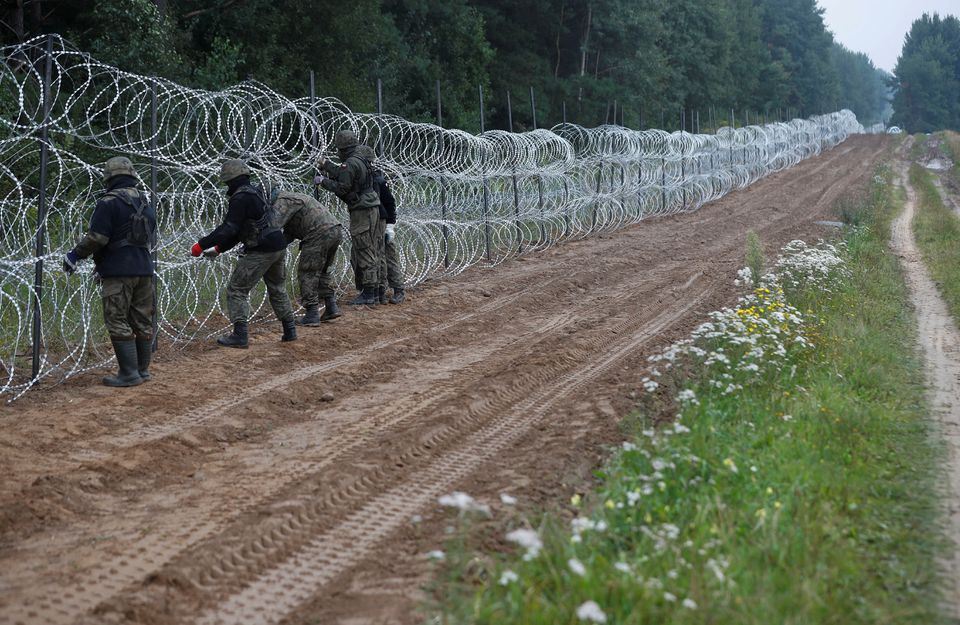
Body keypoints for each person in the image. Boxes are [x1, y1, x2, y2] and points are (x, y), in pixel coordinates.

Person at [62, 156, 157, 387]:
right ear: (132, 176)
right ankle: (142, 371)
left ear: (109, 178)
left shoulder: (109, 202)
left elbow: (98, 237)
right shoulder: (145, 202)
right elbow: (151, 234)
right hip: (144, 269)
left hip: (119, 271)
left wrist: (74, 255)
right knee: (142, 320)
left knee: (116, 319)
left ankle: (128, 373)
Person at [191, 159, 296, 348]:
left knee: (236, 289)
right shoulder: (254, 193)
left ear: (230, 179)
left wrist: (201, 244)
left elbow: (229, 228)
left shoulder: (240, 198)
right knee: (277, 288)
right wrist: (219, 249)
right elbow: (243, 230)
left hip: (262, 249)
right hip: (277, 245)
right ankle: (290, 330)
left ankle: (240, 336)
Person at [315, 130, 384, 306]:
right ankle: (375, 291)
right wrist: (326, 165)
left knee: (364, 248)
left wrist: (323, 181)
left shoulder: (350, 163)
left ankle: (369, 293)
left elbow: (342, 187)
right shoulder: (359, 159)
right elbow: (342, 173)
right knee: (372, 248)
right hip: (371, 207)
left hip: (362, 211)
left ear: (343, 148)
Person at [269, 189, 343, 325]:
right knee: (323, 271)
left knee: (307, 273)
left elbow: (273, 226)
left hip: (318, 234)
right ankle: (331, 306)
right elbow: (289, 233)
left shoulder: (282, 202)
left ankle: (312, 313)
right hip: (335, 230)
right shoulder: (295, 197)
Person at [356, 145, 406, 305]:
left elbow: (390, 202)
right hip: (372, 222)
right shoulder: (365, 178)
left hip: (382, 221)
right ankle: (381, 291)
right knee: (377, 257)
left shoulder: (377, 179)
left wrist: (391, 225)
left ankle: (399, 290)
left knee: (388, 256)